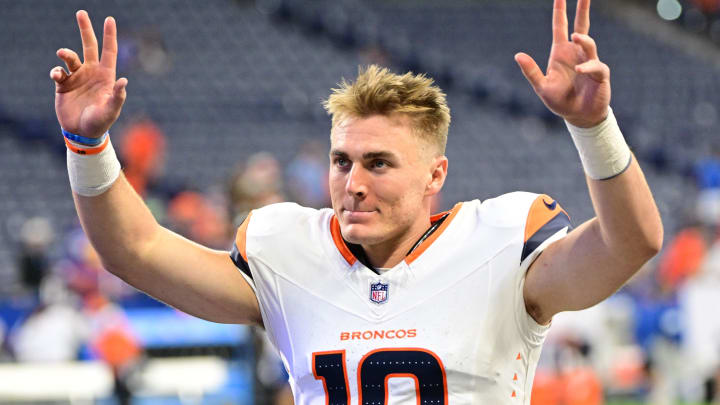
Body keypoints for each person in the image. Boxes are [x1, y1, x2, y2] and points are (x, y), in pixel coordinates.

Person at [49, 0, 662, 402]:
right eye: (342, 161)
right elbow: (133, 249)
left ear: (434, 176)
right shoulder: (288, 251)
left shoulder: (500, 241)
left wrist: (593, 127)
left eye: (379, 163)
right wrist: (87, 142)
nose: (353, 182)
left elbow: (631, 242)